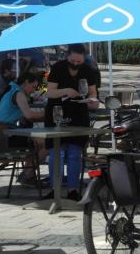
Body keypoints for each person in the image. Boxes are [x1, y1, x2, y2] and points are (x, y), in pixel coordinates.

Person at [43, 44, 100, 200]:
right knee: (57, 152)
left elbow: (93, 94)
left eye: (78, 62)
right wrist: (66, 91)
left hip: (78, 114)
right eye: (73, 60)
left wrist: (92, 101)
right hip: (57, 112)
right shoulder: (58, 68)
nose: (75, 64)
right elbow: (50, 92)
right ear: (67, 56)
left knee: (75, 153)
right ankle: (55, 189)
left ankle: (73, 190)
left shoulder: (88, 70)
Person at [0, 72, 46, 185]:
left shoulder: (12, 89)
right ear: (26, 82)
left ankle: (27, 174)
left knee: (34, 144)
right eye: (33, 87)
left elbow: (28, 116)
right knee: (49, 144)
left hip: (0, 134)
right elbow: (29, 115)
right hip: (6, 136)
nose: (33, 91)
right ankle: (28, 175)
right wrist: (47, 113)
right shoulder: (19, 93)